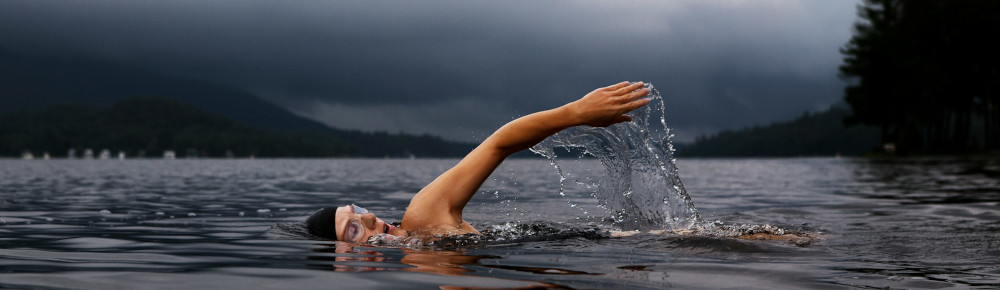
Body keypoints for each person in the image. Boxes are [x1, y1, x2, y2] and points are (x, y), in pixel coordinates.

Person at [306, 81, 651, 243]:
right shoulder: (424, 263)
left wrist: (575, 113)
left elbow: (498, 145)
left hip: (625, 243)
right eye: (353, 229)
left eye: (358, 210)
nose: (368, 216)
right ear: (344, 263)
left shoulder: (423, 217)